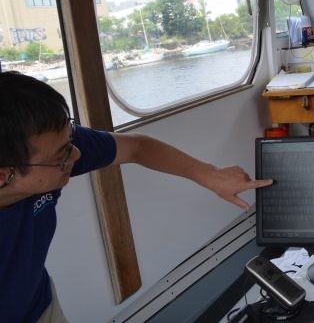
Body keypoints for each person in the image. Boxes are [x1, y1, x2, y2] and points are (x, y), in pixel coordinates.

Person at [0, 71, 272, 322]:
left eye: (70, 140)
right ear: (4, 175)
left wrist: (210, 175)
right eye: (61, 156)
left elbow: (137, 147)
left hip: (39, 303)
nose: (77, 154)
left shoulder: (50, 145)